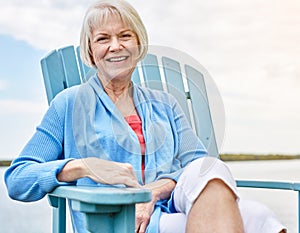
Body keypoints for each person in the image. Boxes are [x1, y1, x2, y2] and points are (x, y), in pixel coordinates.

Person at [5, 0, 286, 232]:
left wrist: (154, 191)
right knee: (258, 218)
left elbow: (199, 166)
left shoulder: (165, 104)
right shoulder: (69, 104)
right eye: (103, 39)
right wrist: (82, 167)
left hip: (169, 206)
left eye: (125, 36)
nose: (116, 46)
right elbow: (18, 179)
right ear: (90, 52)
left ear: (139, 44)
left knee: (212, 167)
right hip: (118, 222)